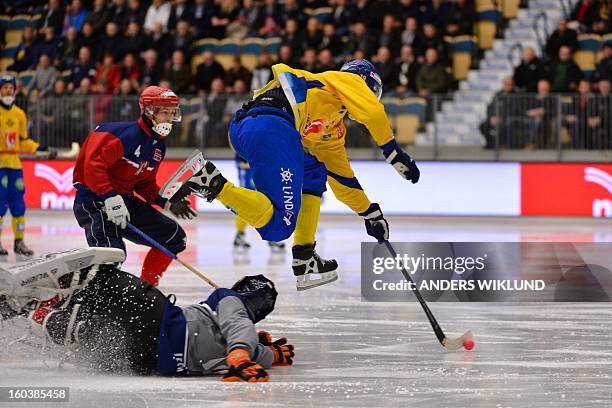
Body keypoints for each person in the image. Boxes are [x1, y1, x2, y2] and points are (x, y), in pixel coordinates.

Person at [171, 60, 420, 291]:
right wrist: (392, 152)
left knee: (314, 171)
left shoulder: (331, 125)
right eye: (372, 92)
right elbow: (373, 113)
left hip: (250, 127)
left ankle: (304, 255)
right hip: (273, 125)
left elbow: (342, 178)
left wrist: (369, 213)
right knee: (279, 227)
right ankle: (210, 182)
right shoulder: (342, 81)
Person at [0, 248, 293, 381]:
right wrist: (263, 350)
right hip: (150, 362)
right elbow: (255, 346)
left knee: (105, 280)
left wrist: (240, 350)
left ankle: (56, 293)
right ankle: (29, 312)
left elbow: (236, 320)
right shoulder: (255, 349)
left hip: (163, 325)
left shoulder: (229, 302)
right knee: (92, 334)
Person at [72, 86, 195, 287]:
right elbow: (92, 166)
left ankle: (146, 291)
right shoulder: (121, 135)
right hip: (94, 202)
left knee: (174, 238)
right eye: (165, 112)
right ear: (148, 111)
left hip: (124, 201)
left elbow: (145, 184)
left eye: (173, 113)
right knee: (111, 258)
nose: (170, 118)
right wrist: (109, 197)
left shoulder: (158, 146)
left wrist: (167, 203)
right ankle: (82, 304)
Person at [0, 75, 56, 257]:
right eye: (5, 87)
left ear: (15, 90)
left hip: (14, 165)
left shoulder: (19, 114)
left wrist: (41, 148)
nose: (8, 90)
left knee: (18, 204)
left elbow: (23, 141)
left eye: (11, 87)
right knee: (0, 205)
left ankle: (19, 241)